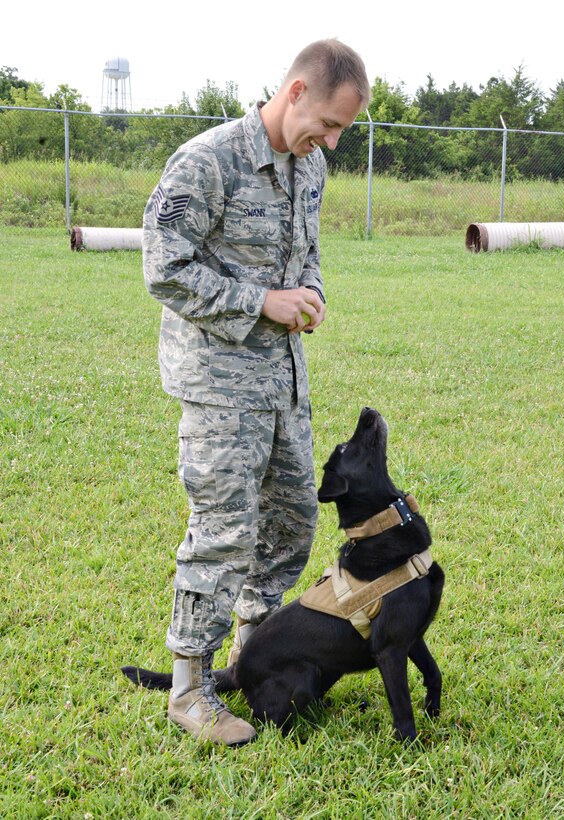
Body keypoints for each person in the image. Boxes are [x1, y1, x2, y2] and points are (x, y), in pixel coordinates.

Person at [142, 39, 370, 746]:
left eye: (340, 132)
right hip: (218, 384)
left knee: (293, 520)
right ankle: (189, 689)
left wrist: (311, 296)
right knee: (222, 533)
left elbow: (308, 254)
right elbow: (163, 262)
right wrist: (261, 301)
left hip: (283, 384)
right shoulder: (209, 159)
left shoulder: (312, 166)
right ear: (295, 91)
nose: (329, 140)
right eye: (327, 122)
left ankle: (251, 657)